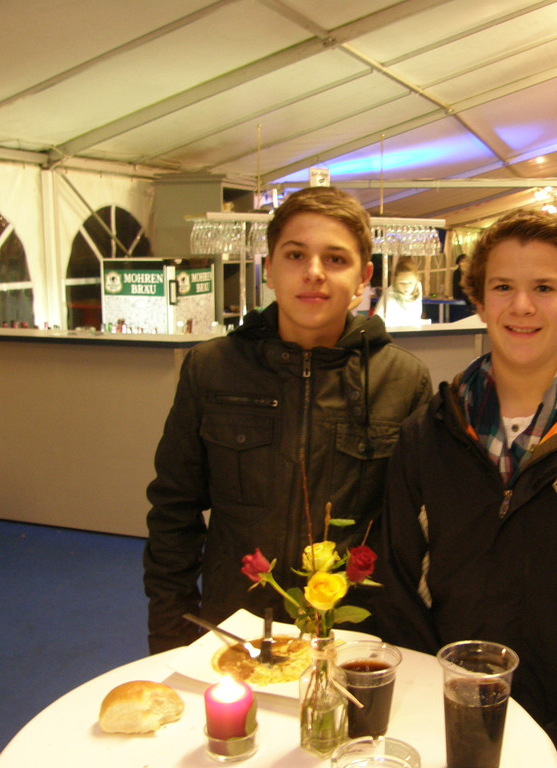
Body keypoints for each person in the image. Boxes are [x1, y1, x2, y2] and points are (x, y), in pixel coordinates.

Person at [372, 209, 557, 768]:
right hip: (450, 727)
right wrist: (433, 709)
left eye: (544, 288)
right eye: (503, 287)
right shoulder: (431, 431)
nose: (522, 306)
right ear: (478, 300)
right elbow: (396, 582)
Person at [143, 186, 433, 654]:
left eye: (335, 259)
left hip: (356, 640)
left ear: (364, 278)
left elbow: (416, 535)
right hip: (237, 631)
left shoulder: (403, 380)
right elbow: (173, 511)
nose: (314, 272)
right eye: (296, 255)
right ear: (269, 269)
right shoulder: (212, 369)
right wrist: (172, 635)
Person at [373, 257, 423, 327]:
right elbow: (375, 324)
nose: (406, 287)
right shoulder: (389, 297)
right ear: (395, 282)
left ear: (416, 280)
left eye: (410, 283)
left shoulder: (418, 288)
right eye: (402, 283)